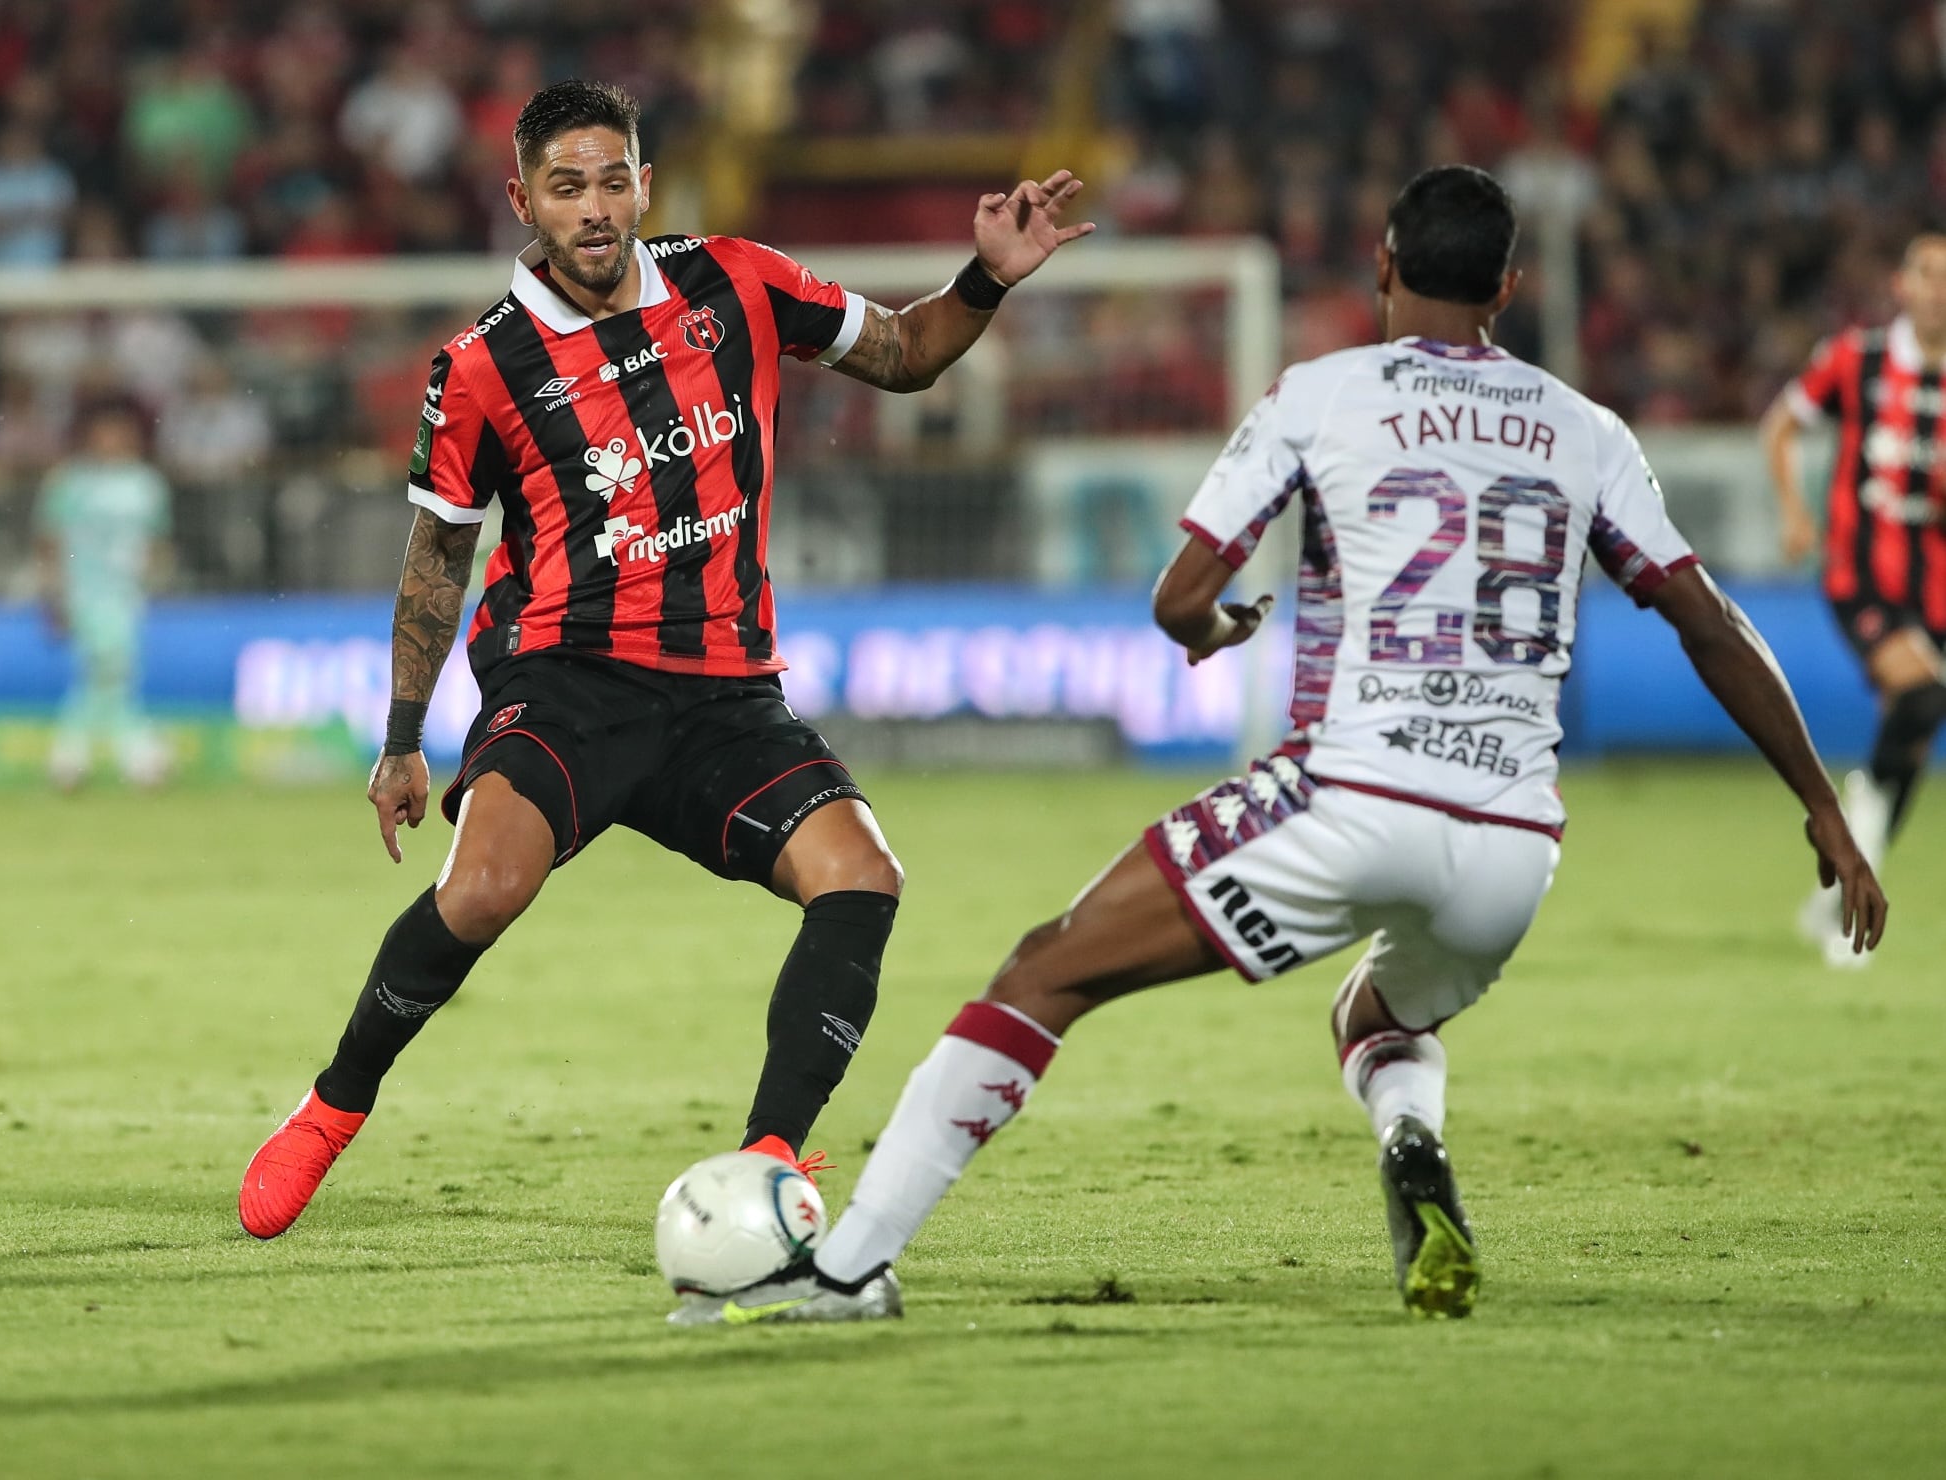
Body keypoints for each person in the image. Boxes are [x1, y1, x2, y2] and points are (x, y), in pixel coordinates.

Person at [678, 165, 1888, 1326]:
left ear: (1381, 265)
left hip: (1351, 795)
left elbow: (1178, 594)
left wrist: (1215, 626)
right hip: (1514, 844)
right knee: (1378, 1018)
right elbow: (1708, 619)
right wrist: (1824, 804)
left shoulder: (1323, 393)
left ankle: (844, 1272)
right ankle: (1413, 1147)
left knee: (1043, 974)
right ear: (1509, 288)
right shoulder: (1586, 431)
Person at [237, 80, 1094, 1239]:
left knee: (862, 877)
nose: (592, 208)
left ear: (644, 183)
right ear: (522, 200)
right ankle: (332, 1107)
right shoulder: (481, 366)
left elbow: (901, 354)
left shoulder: (734, 278)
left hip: (726, 694)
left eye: (610, 180)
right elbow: (436, 562)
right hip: (565, 682)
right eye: (564, 185)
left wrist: (986, 276)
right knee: (482, 888)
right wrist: (401, 739)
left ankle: (770, 1163)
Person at [1762, 233, 1946, 968]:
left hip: (1931, 586)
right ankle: (1848, 917)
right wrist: (1793, 512)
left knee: (1905, 746)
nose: (1938, 288)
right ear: (1900, 285)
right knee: (1922, 700)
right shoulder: (1854, 358)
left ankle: (1834, 881)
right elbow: (1779, 425)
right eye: (1927, 274)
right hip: (1859, 574)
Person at [35, 399, 172, 789]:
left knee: (106, 676)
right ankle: (138, 755)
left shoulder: (145, 485)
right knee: (109, 670)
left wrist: (153, 582)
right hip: (85, 592)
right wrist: (52, 593)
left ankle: (71, 757)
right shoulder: (69, 484)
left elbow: (156, 542)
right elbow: (49, 542)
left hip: (127, 594)